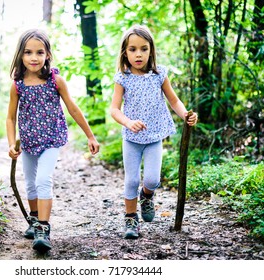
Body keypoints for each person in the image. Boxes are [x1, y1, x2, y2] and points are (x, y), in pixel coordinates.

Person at [6, 29, 100, 252]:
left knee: (42, 180)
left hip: (51, 140)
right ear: (20, 55)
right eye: (28, 52)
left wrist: (90, 135)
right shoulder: (17, 85)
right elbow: (10, 117)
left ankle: (43, 230)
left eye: (40, 52)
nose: (34, 57)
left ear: (48, 54)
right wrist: (11, 143)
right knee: (30, 184)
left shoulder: (55, 81)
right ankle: (34, 219)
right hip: (28, 142)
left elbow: (73, 109)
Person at [110, 25, 198, 239]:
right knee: (131, 180)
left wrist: (186, 114)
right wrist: (128, 122)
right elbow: (114, 109)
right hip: (131, 138)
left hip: (154, 136)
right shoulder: (123, 78)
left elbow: (173, 100)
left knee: (152, 179)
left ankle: (146, 196)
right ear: (125, 52)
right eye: (132, 49)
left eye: (143, 49)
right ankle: (130, 220)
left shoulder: (159, 75)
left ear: (151, 51)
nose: (138, 54)